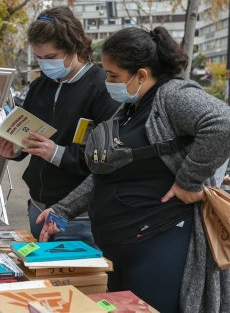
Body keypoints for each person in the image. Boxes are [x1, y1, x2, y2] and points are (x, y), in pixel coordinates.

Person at [36, 26, 230, 312]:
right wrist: (63, 209)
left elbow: (222, 124)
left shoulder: (173, 95)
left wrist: (189, 181)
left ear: (141, 74)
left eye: (114, 75)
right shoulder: (130, 107)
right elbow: (107, 171)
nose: (108, 82)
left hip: (159, 246)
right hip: (121, 248)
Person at [0, 6, 117, 245]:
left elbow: (106, 159)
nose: (44, 64)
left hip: (79, 216)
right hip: (37, 207)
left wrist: (57, 153)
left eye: (50, 58)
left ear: (74, 48)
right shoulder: (41, 86)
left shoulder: (102, 87)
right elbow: (27, 136)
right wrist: (15, 149)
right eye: (39, 58)